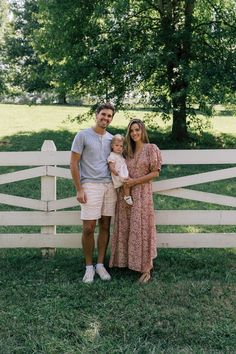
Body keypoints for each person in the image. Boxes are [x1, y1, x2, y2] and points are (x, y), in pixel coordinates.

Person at [109, 118, 162, 283]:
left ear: (143, 131)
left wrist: (134, 182)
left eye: (137, 130)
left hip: (143, 194)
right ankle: (125, 262)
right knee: (127, 226)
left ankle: (146, 267)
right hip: (126, 195)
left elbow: (155, 173)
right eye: (131, 131)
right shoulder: (126, 152)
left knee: (142, 228)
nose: (134, 133)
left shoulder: (151, 149)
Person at [70, 102, 117, 283]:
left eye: (109, 116)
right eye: (103, 114)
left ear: (112, 119)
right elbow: (73, 163)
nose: (105, 118)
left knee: (105, 226)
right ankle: (89, 267)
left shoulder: (111, 139)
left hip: (109, 186)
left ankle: (100, 265)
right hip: (90, 186)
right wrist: (79, 188)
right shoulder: (82, 135)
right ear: (96, 114)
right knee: (88, 228)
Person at [107, 134, 133, 206]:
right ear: (112, 146)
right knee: (126, 183)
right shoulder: (112, 156)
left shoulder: (120, 155)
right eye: (117, 145)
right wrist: (114, 170)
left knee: (127, 182)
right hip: (117, 174)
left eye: (121, 146)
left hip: (122, 172)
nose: (119, 148)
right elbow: (111, 165)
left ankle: (126, 195)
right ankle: (127, 196)